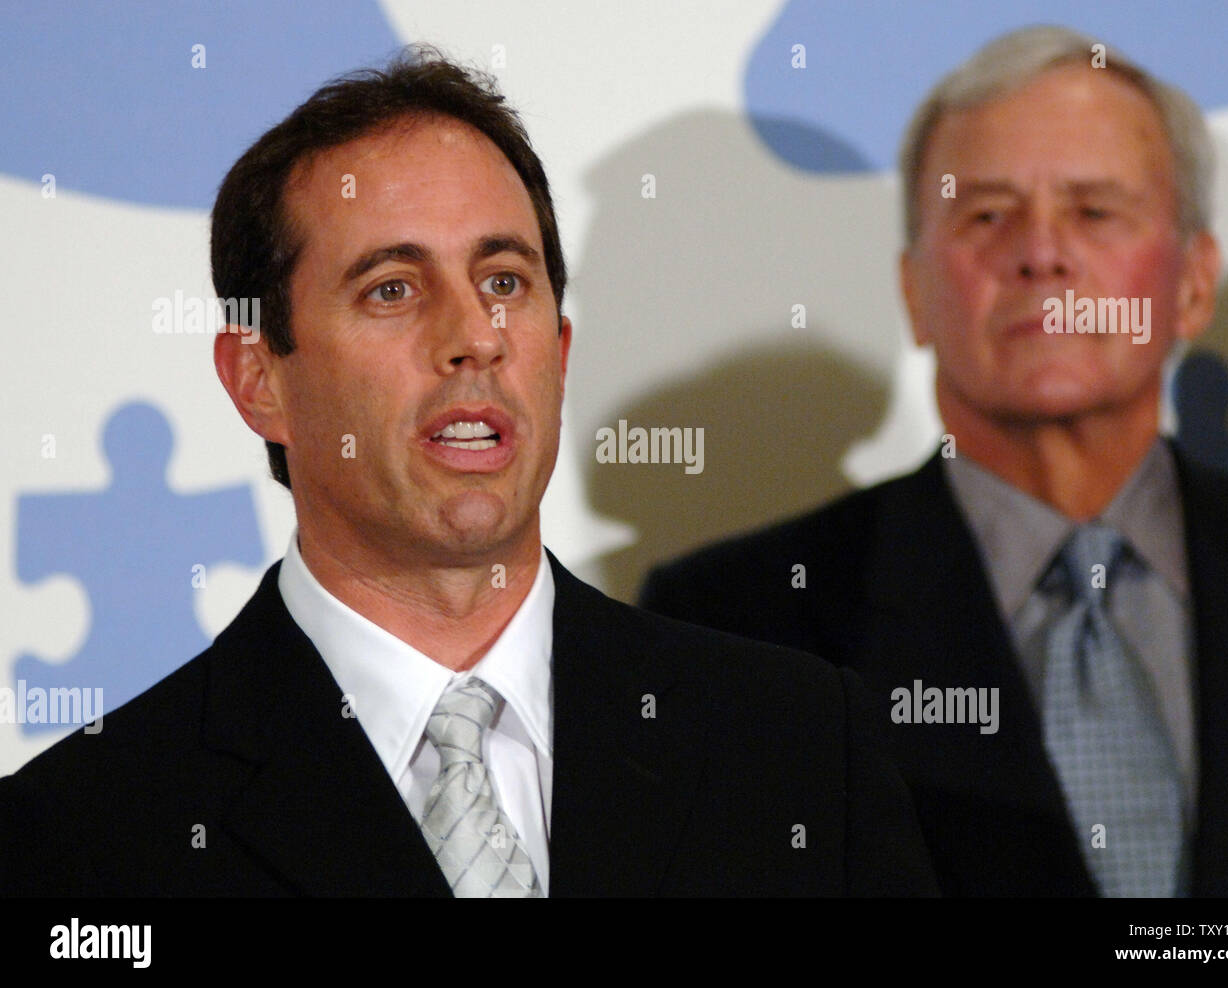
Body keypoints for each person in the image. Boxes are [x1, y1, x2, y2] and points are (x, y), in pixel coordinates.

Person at [0, 46, 936, 898]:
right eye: (391, 290)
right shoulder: (80, 836)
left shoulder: (799, 746)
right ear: (258, 379)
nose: (472, 339)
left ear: (559, 351)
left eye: (503, 282)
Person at [641, 25, 1228, 897]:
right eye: (987, 214)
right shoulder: (732, 627)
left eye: (1095, 210)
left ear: (1193, 284)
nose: (1039, 252)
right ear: (915, 291)